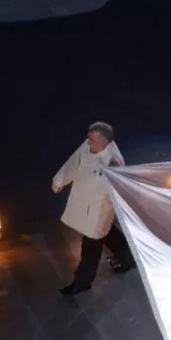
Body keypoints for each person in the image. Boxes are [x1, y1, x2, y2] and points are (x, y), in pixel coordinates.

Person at [52, 121, 135, 295]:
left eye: (92, 141)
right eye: (88, 139)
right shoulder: (89, 145)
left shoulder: (113, 164)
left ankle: (82, 281)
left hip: (99, 210)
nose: (88, 143)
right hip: (85, 202)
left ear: (105, 142)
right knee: (105, 233)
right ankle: (128, 257)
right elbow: (74, 162)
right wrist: (60, 180)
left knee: (91, 245)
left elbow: (121, 191)